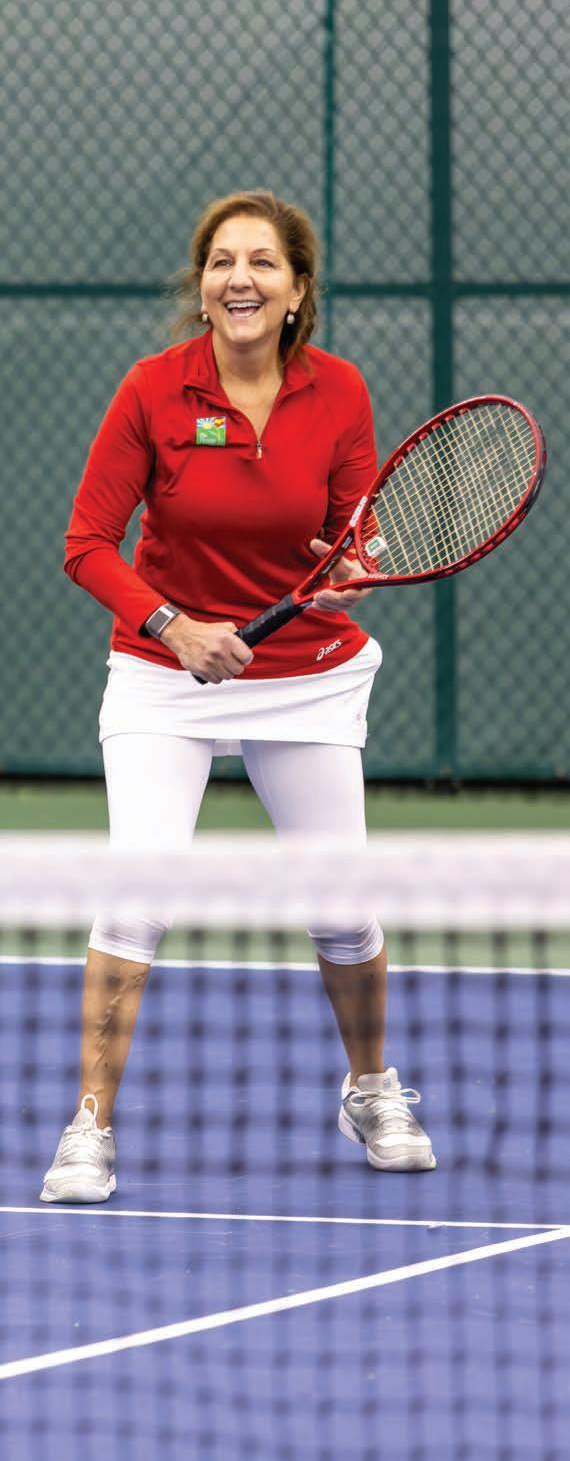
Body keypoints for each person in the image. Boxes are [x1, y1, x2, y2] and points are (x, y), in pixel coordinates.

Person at [41, 189, 435, 1203]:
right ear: (203, 284)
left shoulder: (340, 391)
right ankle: (89, 1125)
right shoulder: (152, 390)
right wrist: (175, 626)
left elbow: (353, 532)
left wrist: (351, 567)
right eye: (222, 261)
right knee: (139, 892)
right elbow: (87, 544)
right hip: (165, 676)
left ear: (298, 290)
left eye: (263, 262)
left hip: (305, 673)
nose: (240, 279)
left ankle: (371, 1087)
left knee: (342, 908)